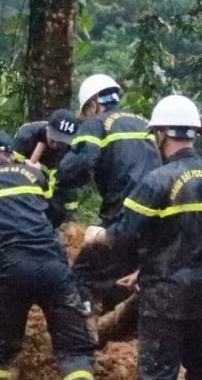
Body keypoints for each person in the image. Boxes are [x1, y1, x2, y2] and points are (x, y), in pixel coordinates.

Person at [106, 95, 202, 380]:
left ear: (160, 134)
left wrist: (99, 237)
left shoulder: (156, 181)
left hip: (166, 294)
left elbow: (125, 235)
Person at [0, 131, 97, 380]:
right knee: (75, 347)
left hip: (12, 271)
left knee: (3, 348)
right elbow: (55, 214)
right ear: (10, 154)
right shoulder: (35, 176)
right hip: (54, 266)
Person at [59, 74, 161, 304]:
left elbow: (79, 167)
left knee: (81, 275)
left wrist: (54, 179)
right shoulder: (143, 122)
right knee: (124, 273)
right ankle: (120, 327)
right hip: (154, 220)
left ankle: (82, 333)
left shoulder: (96, 123)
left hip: (122, 219)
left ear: (93, 105)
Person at [13, 109, 81, 228]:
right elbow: (10, 166)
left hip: (51, 175)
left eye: (61, 142)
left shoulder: (71, 148)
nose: (55, 145)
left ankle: (68, 220)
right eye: (53, 139)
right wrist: (26, 167)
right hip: (25, 174)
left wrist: (43, 174)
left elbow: (65, 180)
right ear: (48, 128)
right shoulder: (26, 135)